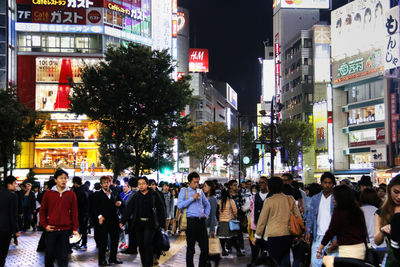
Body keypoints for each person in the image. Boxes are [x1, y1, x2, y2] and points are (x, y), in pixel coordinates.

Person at [253, 177, 301, 266]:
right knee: (285, 259)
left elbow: (262, 220)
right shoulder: (290, 199)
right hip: (287, 234)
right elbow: (298, 217)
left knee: (274, 261)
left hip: (272, 236)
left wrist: (257, 236)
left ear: (270, 187)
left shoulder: (269, 201)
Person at [120, 176, 166, 267]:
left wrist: (162, 223)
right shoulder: (136, 196)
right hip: (138, 224)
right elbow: (129, 209)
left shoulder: (154, 194)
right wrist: (122, 221)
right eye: (139, 184)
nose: (141, 186)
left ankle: (148, 264)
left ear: (146, 184)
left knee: (147, 243)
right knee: (141, 246)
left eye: (143, 184)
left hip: (151, 224)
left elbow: (161, 209)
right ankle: (144, 264)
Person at [317, 185, 368, 267]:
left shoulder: (339, 212)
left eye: (335, 196)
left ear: (341, 198)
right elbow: (363, 232)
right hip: (360, 248)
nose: (333, 199)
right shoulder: (358, 211)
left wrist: (320, 248)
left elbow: (331, 231)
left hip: (347, 250)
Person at [39, 169, 79, 267]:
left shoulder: (71, 194)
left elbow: (74, 212)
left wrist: (75, 228)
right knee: (49, 255)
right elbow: (42, 211)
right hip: (51, 229)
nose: (64, 180)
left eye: (65, 178)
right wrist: (45, 225)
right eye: (61, 178)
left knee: (63, 256)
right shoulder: (48, 194)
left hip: (65, 230)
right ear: (56, 180)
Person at [177, 172, 211, 267]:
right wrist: (192, 198)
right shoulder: (184, 191)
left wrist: (206, 214)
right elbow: (180, 205)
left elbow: (207, 204)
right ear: (189, 182)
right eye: (195, 182)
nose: (197, 184)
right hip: (190, 222)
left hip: (201, 222)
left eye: (198, 182)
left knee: (205, 248)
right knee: (191, 249)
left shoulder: (200, 191)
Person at [305, 172, 337, 267]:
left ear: (333, 184)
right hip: (318, 236)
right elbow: (310, 217)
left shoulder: (336, 199)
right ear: (321, 183)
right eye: (325, 182)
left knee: (331, 264)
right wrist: (308, 232)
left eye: (330, 183)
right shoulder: (315, 198)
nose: (327, 185)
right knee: (315, 263)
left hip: (333, 238)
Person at [92, 176, 123, 266]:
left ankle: (113, 259)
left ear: (110, 183)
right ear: (101, 184)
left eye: (108, 182)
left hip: (114, 220)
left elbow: (120, 201)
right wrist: (99, 216)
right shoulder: (97, 195)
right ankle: (102, 260)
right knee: (103, 242)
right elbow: (94, 208)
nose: (106, 184)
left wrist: (120, 203)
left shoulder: (114, 192)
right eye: (104, 182)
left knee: (115, 240)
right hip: (103, 220)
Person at [374, 175, 400, 266]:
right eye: (396, 192)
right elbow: (377, 241)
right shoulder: (382, 212)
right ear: (389, 190)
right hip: (392, 261)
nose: (399, 197)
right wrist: (383, 230)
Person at [248, 176, 268, 266]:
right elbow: (253, 210)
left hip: (268, 226)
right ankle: (255, 262)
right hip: (257, 225)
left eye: (263, 182)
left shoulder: (270, 195)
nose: (261, 184)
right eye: (260, 182)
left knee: (265, 247)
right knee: (255, 246)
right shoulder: (255, 196)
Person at [0, 176, 20, 267]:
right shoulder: (12, 196)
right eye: (15, 183)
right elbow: (13, 215)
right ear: (9, 185)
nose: (16, 185)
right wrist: (16, 229)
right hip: (5, 228)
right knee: (3, 252)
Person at [217, 189, 243, 256]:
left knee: (222, 238)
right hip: (229, 222)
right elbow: (235, 211)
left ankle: (223, 250)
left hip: (222, 222)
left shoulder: (220, 201)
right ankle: (238, 251)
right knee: (233, 238)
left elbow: (218, 211)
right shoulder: (231, 201)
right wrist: (235, 217)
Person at [72, 176, 89, 250]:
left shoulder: (79, 191)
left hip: (80, 213)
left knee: (81, 228)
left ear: (75, 183)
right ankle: (82, 243)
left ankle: (81, 243)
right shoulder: (85, 190)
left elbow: (78, 203)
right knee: (83, 229)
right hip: (84, 213)